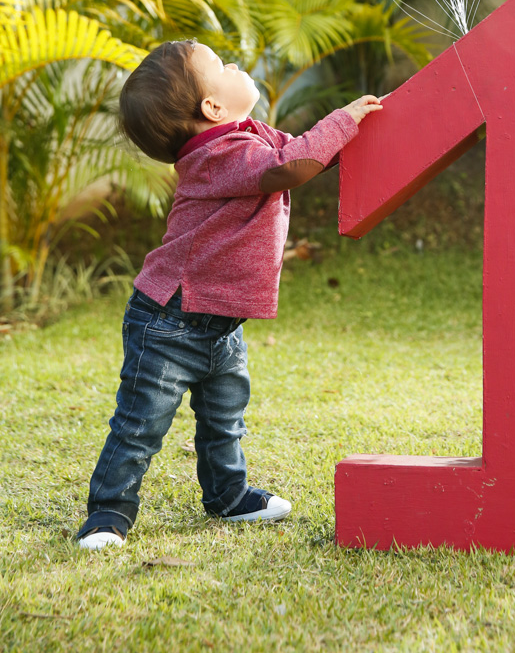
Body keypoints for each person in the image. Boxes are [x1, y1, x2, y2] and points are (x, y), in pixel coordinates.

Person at [75, 37, 382, 550]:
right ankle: (108, 514)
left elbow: (304, 154)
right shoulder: (219, 154)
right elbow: (289, 166)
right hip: (170, 322)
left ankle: (227, 496)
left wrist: (358, 130)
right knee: (140, 426)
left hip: (217, 321)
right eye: (222, 65)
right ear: (212, 107)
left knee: (224, 420)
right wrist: (344, 119)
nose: (235, 64)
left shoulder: (246, 136)